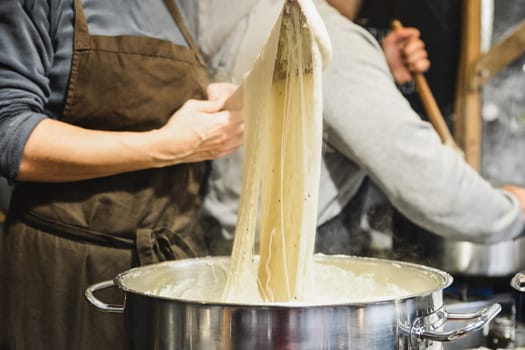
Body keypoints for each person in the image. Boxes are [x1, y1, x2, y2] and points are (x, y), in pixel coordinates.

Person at [0, 1, 243, 349]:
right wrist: (169, 146)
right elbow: (11, 136)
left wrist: (208, 96)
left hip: (170, 267)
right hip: (68, 274)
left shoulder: (175, 7)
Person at [197, 0, 525, 256]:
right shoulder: (325, 37)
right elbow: (421, 174)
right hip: (296, 284)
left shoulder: (262, 18)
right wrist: (511, 210)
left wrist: (376, 65)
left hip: (233, 255)